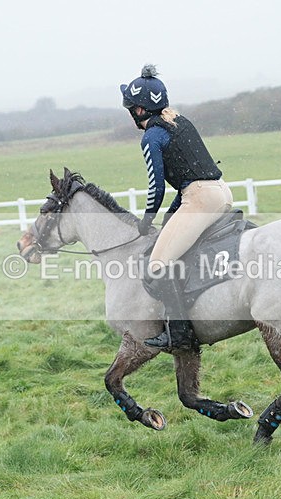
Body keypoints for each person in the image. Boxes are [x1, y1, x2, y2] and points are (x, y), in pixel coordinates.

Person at [120, 64, 233, 351]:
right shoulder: (180, 120)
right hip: (221, 191)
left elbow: (157, 187)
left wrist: (146, 221)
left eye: (131, 108)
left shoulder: (151, 137)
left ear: (140, 110)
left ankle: (180, 333)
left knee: (157, 265)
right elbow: (188, 174)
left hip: (200, 199)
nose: (130, 112)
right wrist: (169, 217)